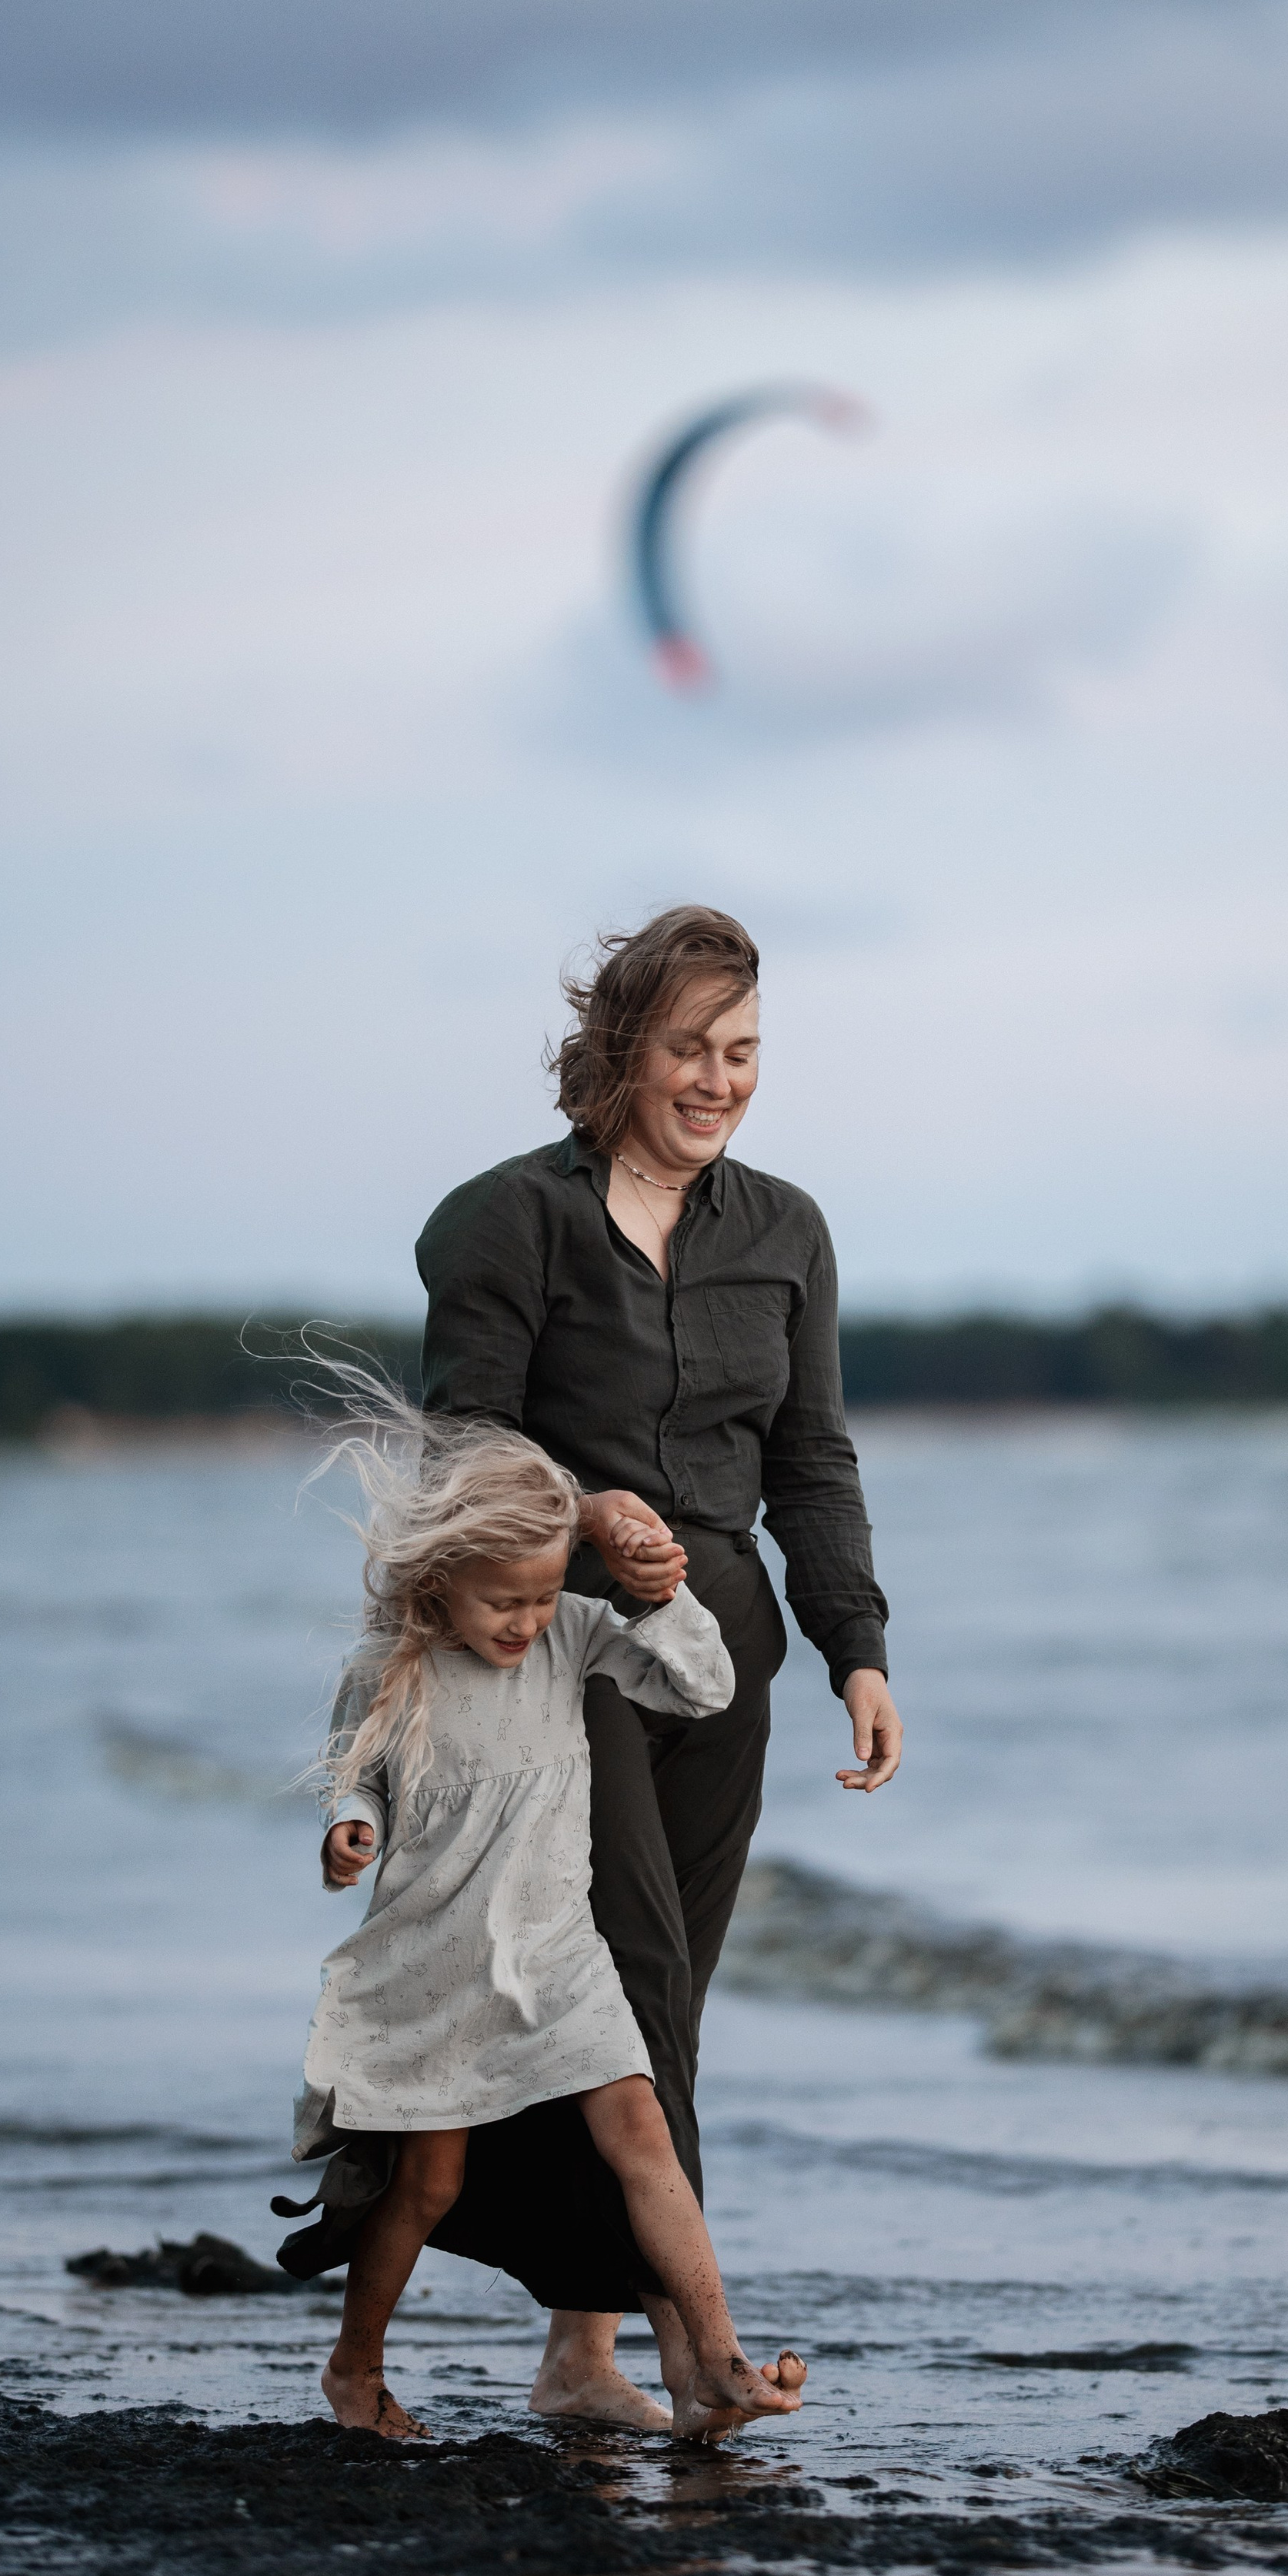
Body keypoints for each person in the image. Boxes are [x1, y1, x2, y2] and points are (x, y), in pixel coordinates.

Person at [412, 904, 902, 2431]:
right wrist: (578, 1513)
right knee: (631, 1971)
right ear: (620, 1052)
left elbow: (809, 1456)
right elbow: (459, 1446)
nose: (718, 1080)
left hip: (726, 1657)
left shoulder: (786, 1229)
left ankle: (580, 2354)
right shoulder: (505, 1222)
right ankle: (705, 2346)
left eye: (744, 1051)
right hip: (559, 1650)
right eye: (690, 1048)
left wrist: (855, 1648)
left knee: (665, 1988)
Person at [292, 1388, 806, 2444]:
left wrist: (659, 1596)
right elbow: (362, 1778)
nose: (525, 1622)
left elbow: (703, 1689)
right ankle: (356, 2366)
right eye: (503, 1604)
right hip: (438, 1959)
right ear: (441, 1583)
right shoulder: (392, 1667)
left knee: (642, 2131)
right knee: (426, 2184)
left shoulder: (572, 1635)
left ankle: (716, 2357)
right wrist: (352, 1826)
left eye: (539, 1597)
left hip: (557, 1951)